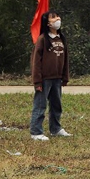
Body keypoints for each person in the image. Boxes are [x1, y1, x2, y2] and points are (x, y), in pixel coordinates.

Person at [30, 11, 71, 141]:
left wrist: (65, 76)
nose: (58, 19)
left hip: (57, 78)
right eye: (53, 17)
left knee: (56, 105)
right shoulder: (42, 39)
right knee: (40, 105)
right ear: (47, 23)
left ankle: (56, 129)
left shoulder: (61, 38)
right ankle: (36, 132)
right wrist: (37, 81)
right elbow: (36, 61)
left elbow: (65, 59)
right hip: (44, 79)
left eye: (58, 16)